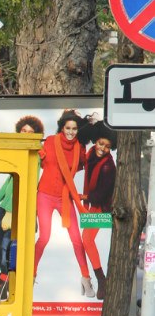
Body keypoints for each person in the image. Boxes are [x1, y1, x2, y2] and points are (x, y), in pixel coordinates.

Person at [34, 109, 95, 296]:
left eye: (75, 128)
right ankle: (31, 273)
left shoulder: (80, 148)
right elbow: (38, 161)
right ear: (62, 127)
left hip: (65, 196)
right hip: (44, 194)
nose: (70, 131)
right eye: (67, 127)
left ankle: (86, 278)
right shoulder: (51, 141)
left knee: (77, 239)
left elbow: (88, 165)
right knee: (44, 237)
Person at [0, 115, 45, 299]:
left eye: (31, 132)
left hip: (18, 207)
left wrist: (12, 211)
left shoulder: (34, 156)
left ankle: (8, 283)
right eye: (24, 131)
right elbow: (10, 181)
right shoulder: (18, 151)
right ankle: (4, 279)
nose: (27, 134)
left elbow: (29, 183)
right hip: (6, 207)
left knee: (7, 247)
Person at [79, 121, 117, 301]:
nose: (103, 148)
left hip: (102, 206)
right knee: (85, 240)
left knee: (87, 240)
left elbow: (103, 192)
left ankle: (101, 279)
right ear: (96, 141)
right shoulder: (89, 155)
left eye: (108, 146)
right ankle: (99, 278)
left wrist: (85, 197)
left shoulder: (109, 166)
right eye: (101, 143)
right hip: (94, 203)